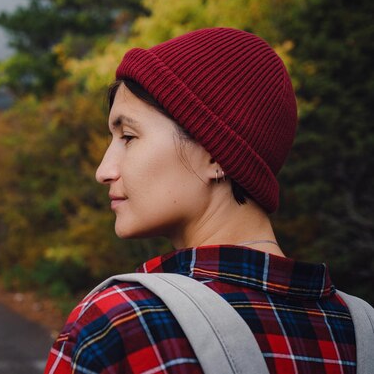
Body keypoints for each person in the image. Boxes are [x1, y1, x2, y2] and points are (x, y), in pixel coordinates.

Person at [44, 27, 368, 373]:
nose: (103, 170)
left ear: (216, 155)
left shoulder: (122, 323)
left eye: (128, 136)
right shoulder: (364, 331)